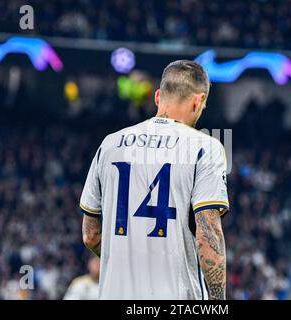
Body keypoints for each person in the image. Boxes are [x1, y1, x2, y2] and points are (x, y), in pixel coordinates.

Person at [80, 60, 229, 300]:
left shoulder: (109, 145)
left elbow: (90, 234)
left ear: (158, 96)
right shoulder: (205, 148)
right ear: (198, 100)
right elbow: (207, 236)